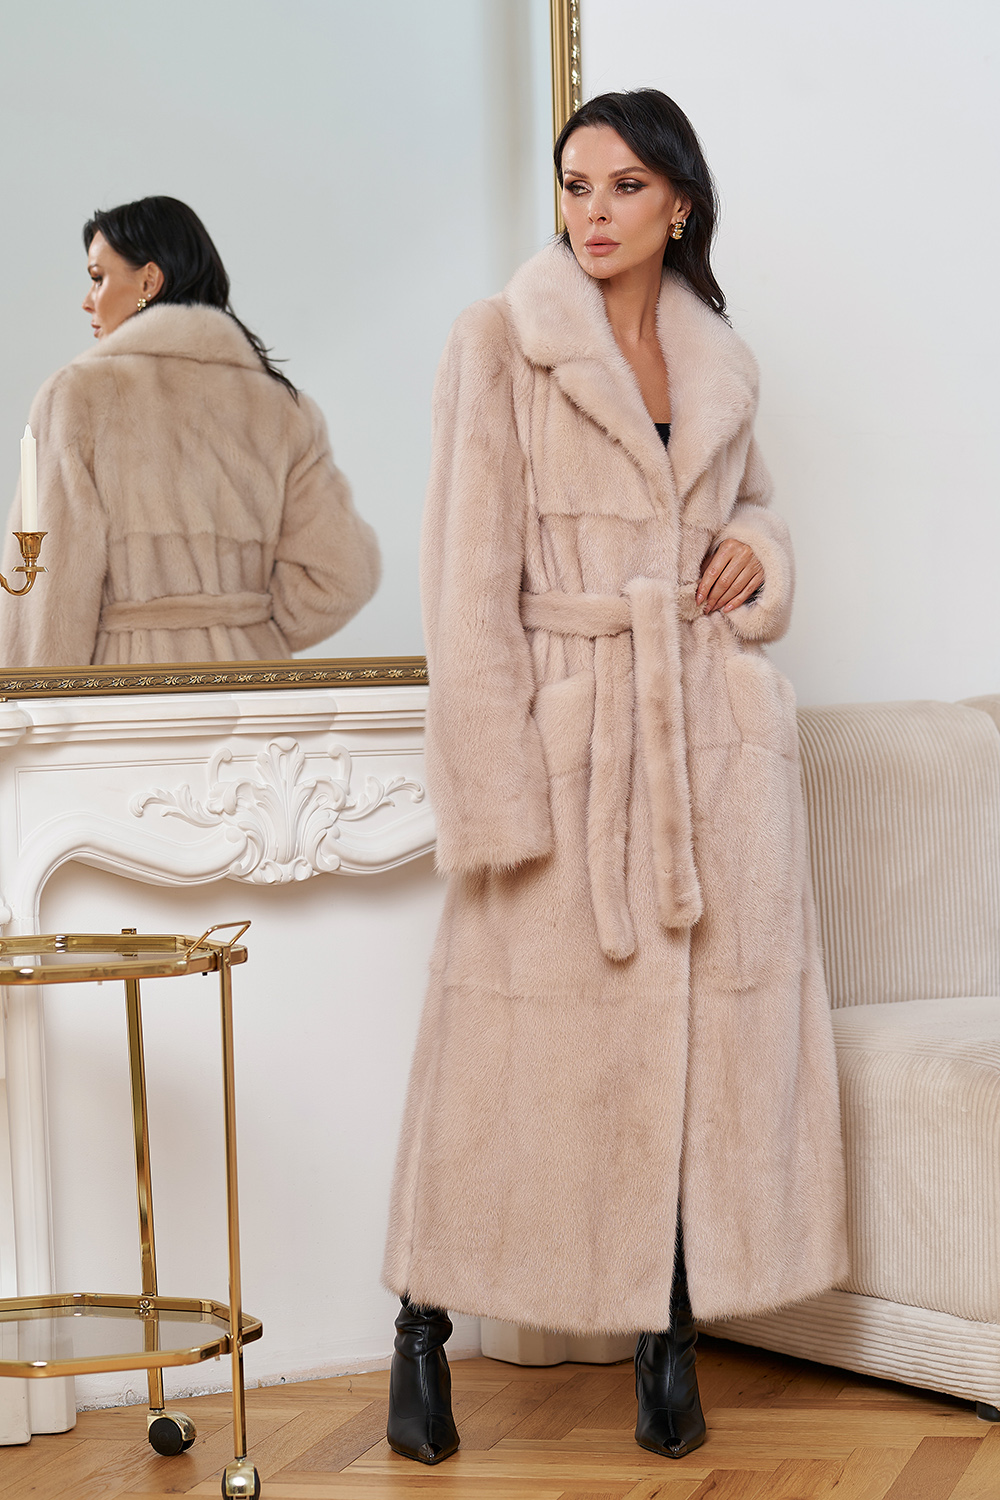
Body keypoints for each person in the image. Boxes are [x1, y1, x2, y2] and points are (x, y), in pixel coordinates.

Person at [381, 90, 847, 1465]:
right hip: (570, 746)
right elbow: (465, 583)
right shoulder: (499, 341)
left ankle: (668, 1341)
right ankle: (422, 1329)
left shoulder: (718, 360)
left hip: (710, 751)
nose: (593, 212)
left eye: (624, 186)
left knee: (698, 1070)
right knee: (499, 1069)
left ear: (678, 203)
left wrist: (762, 558)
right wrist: (495, 787)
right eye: (574, 185)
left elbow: (750, 507)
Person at [0, 196, 380, 667]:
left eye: (98, 278)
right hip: (258, 684)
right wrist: (241, 622)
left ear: (149, 280)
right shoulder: (285, 408)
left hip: (130, 689)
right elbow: (342, 577)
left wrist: (33, 698)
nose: (87, 300)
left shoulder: (77, 396)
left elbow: (51, 591)